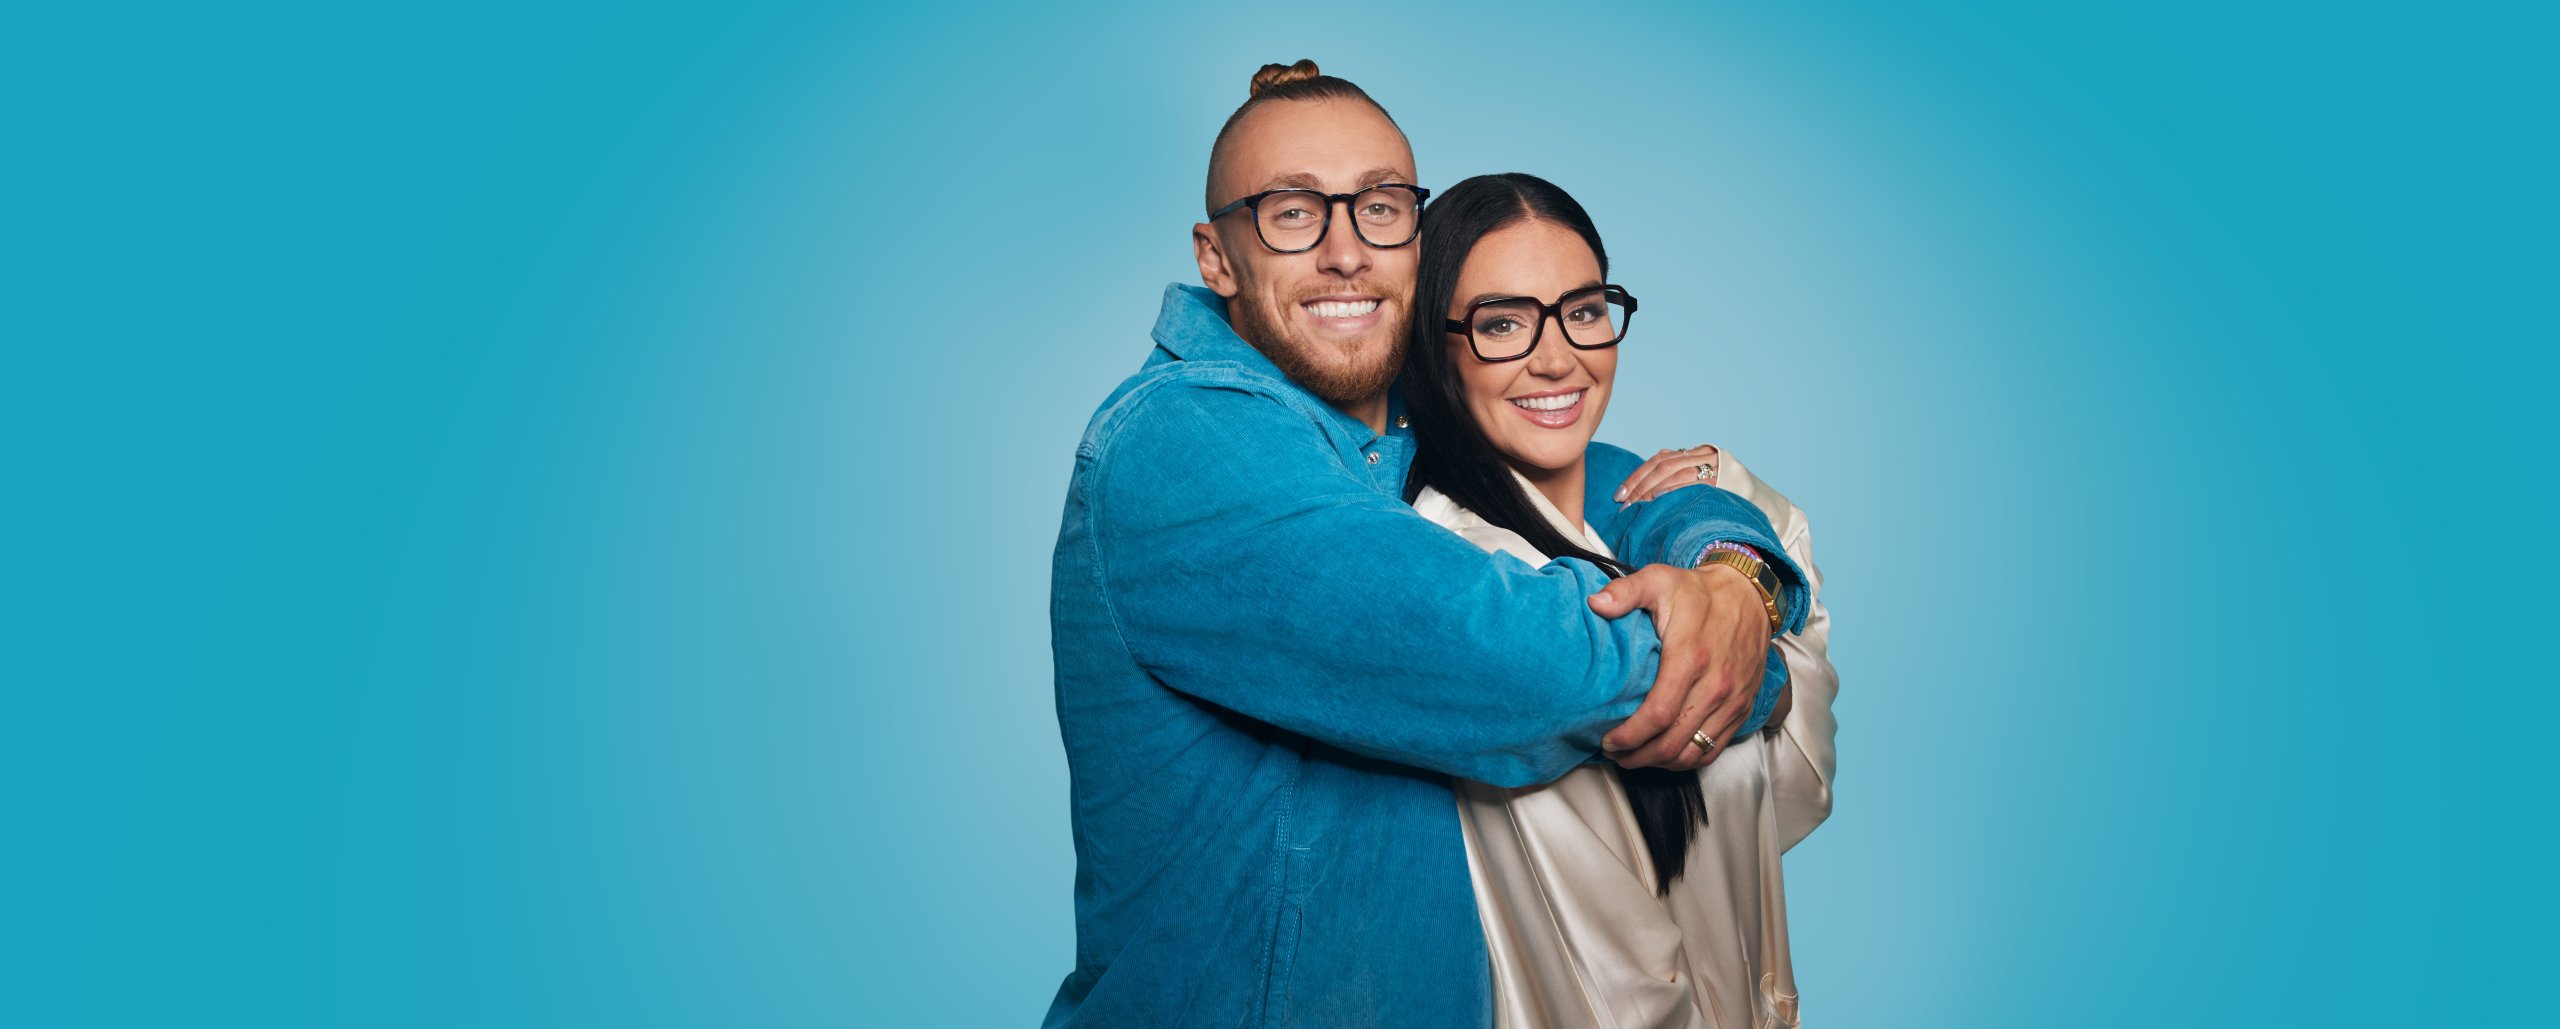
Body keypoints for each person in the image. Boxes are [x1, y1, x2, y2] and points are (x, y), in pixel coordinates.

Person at [1046, 61, 1811, 1027]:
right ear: (1217, 256)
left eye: (1379, 207)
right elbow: (1527, 666)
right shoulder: (1181, 443)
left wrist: (1735, 578)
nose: (1345, 252)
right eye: (1291, 213)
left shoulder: (1403, 430)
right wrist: (1752, 663)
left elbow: (1611, 487)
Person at [1402, 172, 1837, 1028]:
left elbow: (1801, 784)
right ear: (1436, 345)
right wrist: (1765, 663)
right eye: (1502, 323)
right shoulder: (1454, 562)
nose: (1558, 355)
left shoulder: (1651, 505)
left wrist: (1729, 543)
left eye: (1585, 309)